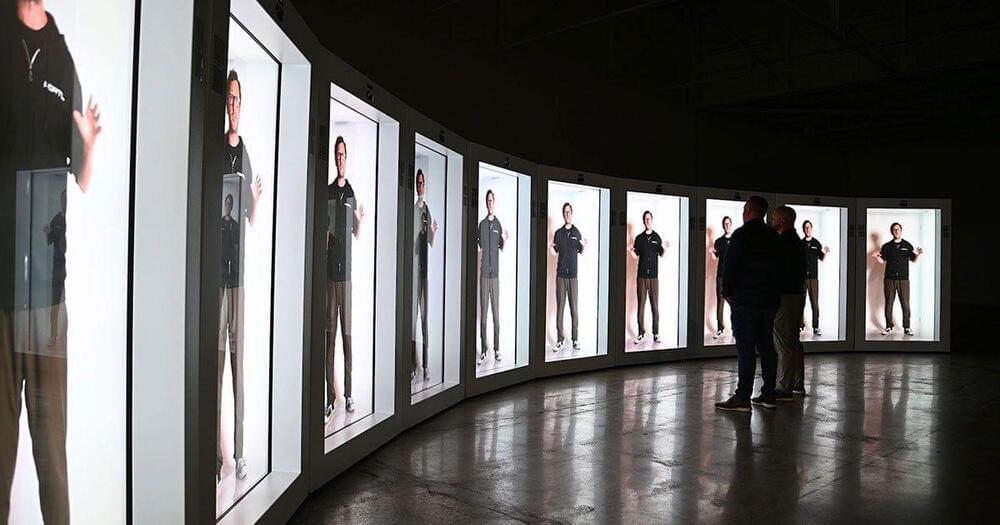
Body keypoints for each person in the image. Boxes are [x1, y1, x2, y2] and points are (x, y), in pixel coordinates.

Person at [1, 1, 102, 521]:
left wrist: (88, 147)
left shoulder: (62, 59)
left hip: (46, 299)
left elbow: (81, 179)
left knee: (52, 464)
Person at [218, 69, 262, 482]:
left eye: (236, 99)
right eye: (228, 98)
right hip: (216, 278)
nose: (232, 105)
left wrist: (256, 201)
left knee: (238, 369)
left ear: (241, 106)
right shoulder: (215, 149)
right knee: (215, 368)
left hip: (239, 281)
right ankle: (217, 458)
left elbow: (249, 217)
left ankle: (240, 452)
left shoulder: (245, 154)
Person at [715, 196, 779, 412]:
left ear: (749, 210)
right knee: (767, 347)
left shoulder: (741, 235)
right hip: (768, 300)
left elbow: (731, 265)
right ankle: (769, 394)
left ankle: (743, 396)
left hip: (746, 300)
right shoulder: (773, 235)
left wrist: (727, 292)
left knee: (746, 349)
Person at [326, 136, 364, 420]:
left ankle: (348, 394)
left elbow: (356, 234)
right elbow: (324, 235)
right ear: (334, 158)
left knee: (347, 338)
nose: (340, 159)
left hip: (347, 278)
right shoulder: (328, 193)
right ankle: (330, 398)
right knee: (329, 340)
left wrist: (360, 222)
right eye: (337, 155)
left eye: (343, 155)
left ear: (347, 158)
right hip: (330, 277)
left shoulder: (351, 193)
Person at [770, 206, 806, 401]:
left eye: (774, 217)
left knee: (783, 341)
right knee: (793, 340)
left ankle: (784, 388)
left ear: (782, 221)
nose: (772, 220)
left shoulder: (783, 242)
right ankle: (797, 383)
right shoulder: (796, 241)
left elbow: (777, 272)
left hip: (785, 296)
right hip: (796, 295)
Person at [874, 222, 923, 336]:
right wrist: (877, 257)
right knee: (889, 303)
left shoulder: (907, 245)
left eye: (898, 229)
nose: (896, 231)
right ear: (892, 232)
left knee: (905, 303)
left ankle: (907, 327)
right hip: (889, 279)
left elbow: (913, 259)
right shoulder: (886, 246)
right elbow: (882, 260)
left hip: (903, 279)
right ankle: (889, 326)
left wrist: (918, 255)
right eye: (894, 229)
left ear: (901, 231)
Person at [412, 169, 437, 381]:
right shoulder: (413, 211)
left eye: (422, 183)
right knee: (412, 322)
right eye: (418, 183)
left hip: (425, 275)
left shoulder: (427, 210)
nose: (420, 186)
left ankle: (426, 365)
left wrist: (432, 233)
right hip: (414, 275)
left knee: (425, 322)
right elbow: (412, 244)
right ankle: (413, 366)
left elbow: (430, 241)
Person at [477, 190, 508, 365]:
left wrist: (505, 240)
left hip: (495, 276)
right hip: (484, 276)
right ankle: (484, 350)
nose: (490, 203)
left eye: (491, 200)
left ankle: (497, 349)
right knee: (483, 316)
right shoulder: (481, 225)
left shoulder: (498, 224)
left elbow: (502, 247)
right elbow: (479, 247)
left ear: (494, 202)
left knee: (496, 315)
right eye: (487, 201)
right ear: (485, 203)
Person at [552, 202, 586, 352]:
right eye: (565, 212)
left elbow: (581, 251)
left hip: (573, 276)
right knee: (560, 308)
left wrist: (585, 246)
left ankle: (575, 339)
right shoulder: (558, 233)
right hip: (560, 275)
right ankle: (559, 340)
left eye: (569, 212)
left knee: (574, 308)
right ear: (563, 214)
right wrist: (549, 248)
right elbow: (554, 252)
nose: (567, 214)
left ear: (572, 214)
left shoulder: (576, 232)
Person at [631, 210, 669, 344]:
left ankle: (656, 333)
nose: (647, 221)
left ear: (652, 220)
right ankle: (640, 333)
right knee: (641, 306)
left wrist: (665, 248)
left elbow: (661, 254)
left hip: (653, 277)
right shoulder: (639, 238)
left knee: (655, 306)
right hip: (641, 276)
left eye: (649, 219)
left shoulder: (656, 237)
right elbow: (635, 255)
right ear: (643, 221)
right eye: (645, 219)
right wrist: (630, 251)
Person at [800, 220, 829, 336]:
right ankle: (800, 326)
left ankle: (816, 327)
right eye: (805, 228)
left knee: (815, 304)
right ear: (803, 230)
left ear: (811, 229)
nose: (807, 229)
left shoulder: (816, 243)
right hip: (802, 279)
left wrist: (825, 252)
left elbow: (821, 258)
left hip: (813, 279)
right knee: (800, 303)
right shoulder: (800, 244)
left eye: (809, 227)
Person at [710, 216, 733, 339]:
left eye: (728, 223)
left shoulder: (736, 240)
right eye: (725, 224)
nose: (727, 226)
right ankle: (720, 328)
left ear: (731, 225)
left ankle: (735, 329)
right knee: (720, 301)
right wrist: (711, 253)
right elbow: (716, 257)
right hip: (721, 275)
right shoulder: (719, 241)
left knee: (734, 302)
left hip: (733, 276)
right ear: (723, 226)